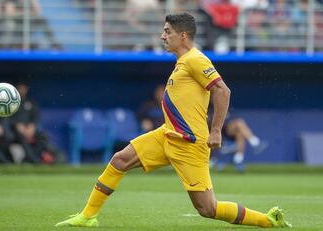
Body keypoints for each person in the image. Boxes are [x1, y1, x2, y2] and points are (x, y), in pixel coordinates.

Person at [55, 13, 291, 228]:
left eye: (167, 31)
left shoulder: (195, 60)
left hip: (189, 143)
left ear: (183, 35)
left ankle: (267, 221)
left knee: (207, 209)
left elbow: (223, 91)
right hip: (167, 134)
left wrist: (216, 130)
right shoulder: (182, 62)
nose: (162, 36)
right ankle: (87, 216)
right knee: (120, 160)